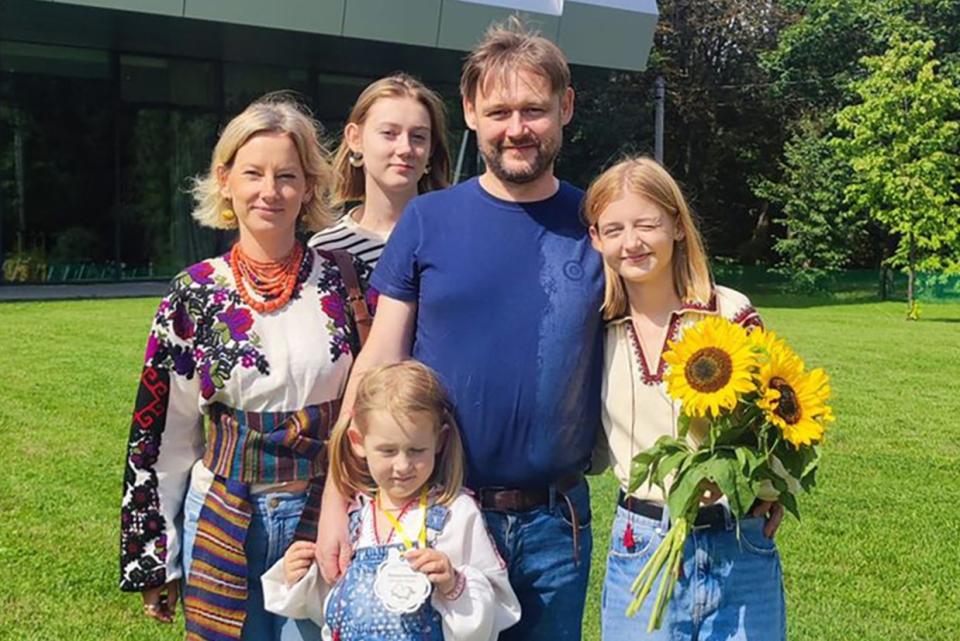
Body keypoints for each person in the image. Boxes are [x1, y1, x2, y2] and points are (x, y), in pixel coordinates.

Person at [316, 17, 604, 641]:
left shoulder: (598, 225)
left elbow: (673, 315)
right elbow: (376, 365)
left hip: (556, 527)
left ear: (567, 108)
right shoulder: (428, 219)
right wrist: (336, 501)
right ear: (471, 111)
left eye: (535, 109)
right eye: (500, 111)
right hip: (435, 517)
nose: (517, 128)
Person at [118, 95, 372, 641]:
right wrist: (154, 557)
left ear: (308, 187)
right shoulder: (194, 293)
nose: (270, 190)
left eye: (287, 175)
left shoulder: (345, 283)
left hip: (321, 514)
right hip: (221, 514)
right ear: (225, 179)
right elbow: (162, 435)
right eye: (253, 173)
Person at [583, 156, 786, 640]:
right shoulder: (595, 326)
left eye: (646, 224)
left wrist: (774, 487)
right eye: (614, 229)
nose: (630, 242)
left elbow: (779, 420)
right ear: (596, 239)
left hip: (739, 542)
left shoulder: (728, 313)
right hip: (643, 542)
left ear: (676, 224)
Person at [261, 361, 521, 640]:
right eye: (387, 451)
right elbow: (328, 604)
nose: (402, 465)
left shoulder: (454, 513)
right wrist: (299, 576)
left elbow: (495, 607)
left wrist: (454, 584)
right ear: (358, 442)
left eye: (416, 450)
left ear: (440, 441)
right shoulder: (354, 519)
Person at [309, 74, 451, 268]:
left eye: (418, 136)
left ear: (431, 148)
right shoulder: (325, 249)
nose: (405, 148)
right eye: (389, 133)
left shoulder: (457, 237)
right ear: (355, 138)